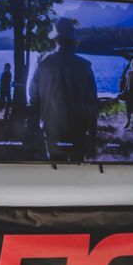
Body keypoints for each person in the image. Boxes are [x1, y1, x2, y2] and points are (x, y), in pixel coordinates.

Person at [28, 19, 98, 162]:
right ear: (72, 40)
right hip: (78, 131)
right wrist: (92, 136)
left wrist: (37, 121)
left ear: (55, 39)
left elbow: (33, 96)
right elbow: (92, 105)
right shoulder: (84, 66)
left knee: (56, 167)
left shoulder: (42, 62)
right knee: (77, 168)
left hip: (51, 129)